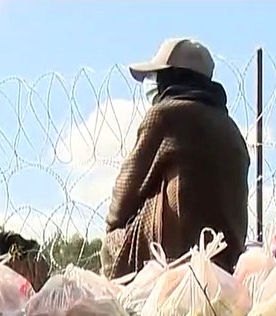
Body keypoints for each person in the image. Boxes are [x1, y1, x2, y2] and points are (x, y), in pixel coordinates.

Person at [100, 38, 250, 279]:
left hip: (174, 257)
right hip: (225, 260)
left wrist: (113, 231)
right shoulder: (231, 130)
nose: (153, 85)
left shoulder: (166, 115)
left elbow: (125, 190)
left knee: (112, 242)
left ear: (172, 77)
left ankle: (123, 304)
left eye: (156, 76)